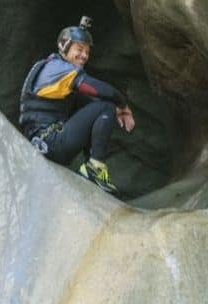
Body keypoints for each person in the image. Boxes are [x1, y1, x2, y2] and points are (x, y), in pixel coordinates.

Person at [19, 15, 135, 195]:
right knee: (106, 106)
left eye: (87, 52)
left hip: (42, 145)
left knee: (98, 108)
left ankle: (91, 168)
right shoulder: (58, 69)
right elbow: (98, 90)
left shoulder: (52, 72)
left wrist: (113, 110)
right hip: (51, 143)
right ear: (64, 47)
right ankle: (95, 168)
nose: (84, 56)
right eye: (79, 49)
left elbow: (89, 104)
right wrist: (122, 104)